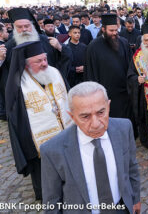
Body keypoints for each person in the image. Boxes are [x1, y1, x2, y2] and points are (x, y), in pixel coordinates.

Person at [41, 82, 141, 213]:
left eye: (101, 112)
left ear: (108, 106)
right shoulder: (52, 151)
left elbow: (131, 167)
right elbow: (52, 201)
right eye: (85, 116)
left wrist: (135, 199)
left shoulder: (124, 128)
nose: (95, 124)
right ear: (72, 117)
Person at [6, 41, 72, 201]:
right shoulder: (18, 83)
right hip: (38, 143)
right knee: (46, 181)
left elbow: (68, 95)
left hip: (66, 133)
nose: (44, 64)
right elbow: (17, 119)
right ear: (27, 64)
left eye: (45, 59)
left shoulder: (54, 72)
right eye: (38, 61)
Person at [85, 13, 135, 135]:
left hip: (124, 93)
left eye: (116, 30)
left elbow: (130, 66)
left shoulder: (123, 42)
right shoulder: (93, 47)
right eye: (111, 30)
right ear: (103, 29)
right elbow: (90, 73)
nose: (114, 33)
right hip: (106, 95)